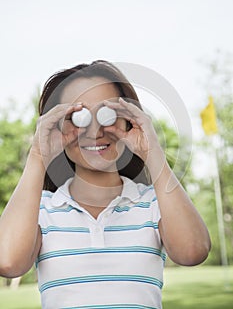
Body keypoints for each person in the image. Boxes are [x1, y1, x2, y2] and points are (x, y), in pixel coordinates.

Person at [0, 60, 211, 308]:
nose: (95, 131)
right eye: (77, 117)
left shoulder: (153, 203)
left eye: (107, 114)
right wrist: (38, 156)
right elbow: (7, 262)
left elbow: (193, 252)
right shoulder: (40, 210)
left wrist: (152, 150)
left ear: (129, 120)